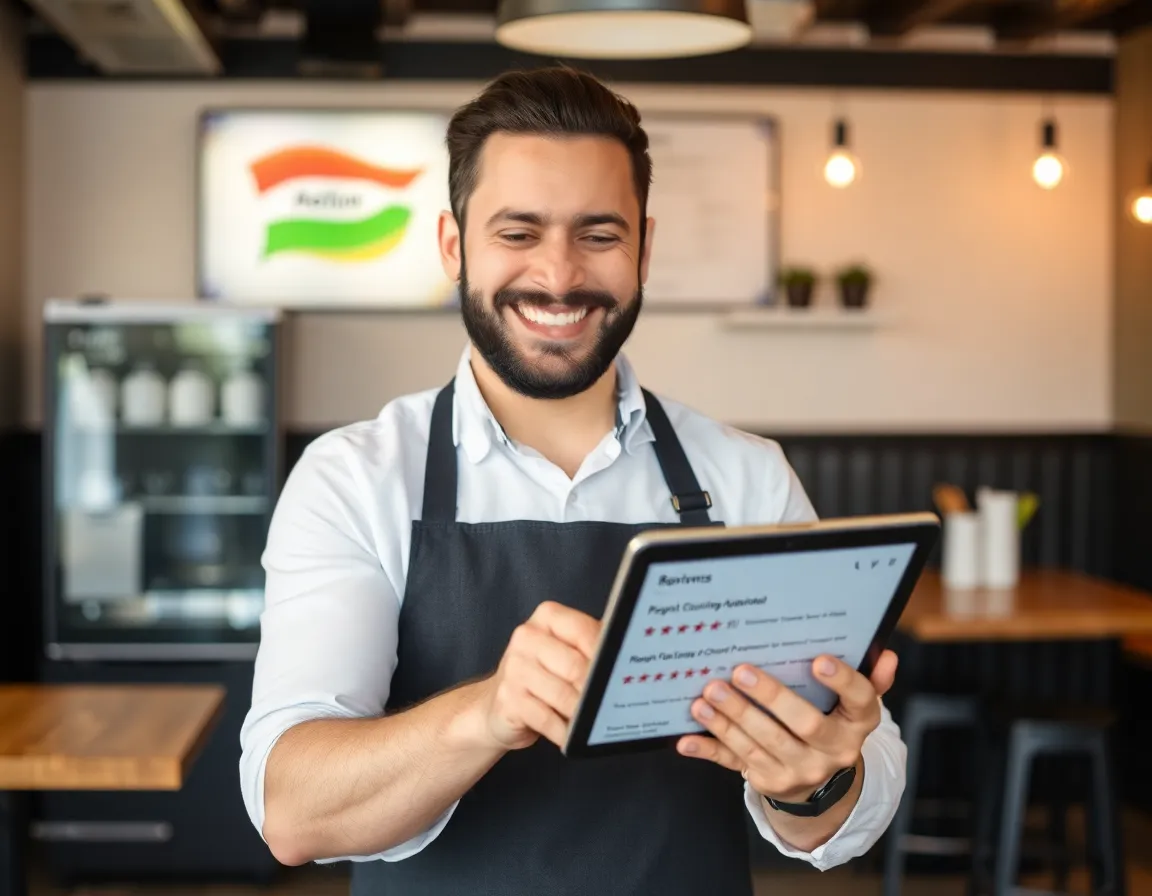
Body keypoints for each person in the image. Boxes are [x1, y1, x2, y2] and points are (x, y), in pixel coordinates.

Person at [239, 65, 907, 896]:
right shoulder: (356, 479)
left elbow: (844, 803)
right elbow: (292, 809)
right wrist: (488, 712)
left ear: (643, 250)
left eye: (597, 235)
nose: (558, 277)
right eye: (518, 233)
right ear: (453, 246)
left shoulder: (746, 478)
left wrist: (814, 781)